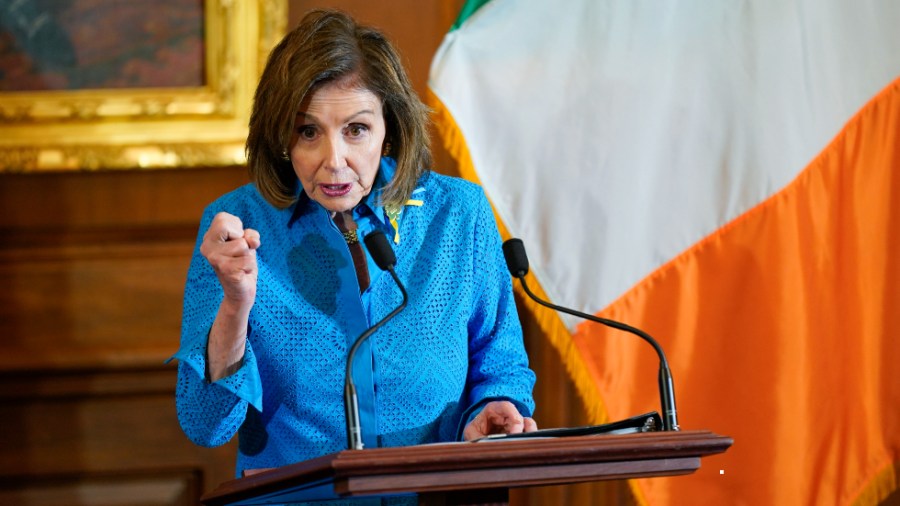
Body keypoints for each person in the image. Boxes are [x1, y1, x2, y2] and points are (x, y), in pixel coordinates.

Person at [170, 9, 537, 478]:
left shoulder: (457, 214)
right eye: (308, 132)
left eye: (356, 130)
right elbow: (206, 425)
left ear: (389, 131)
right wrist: (235, 308)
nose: (334, 160)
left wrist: (494, 406)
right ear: (282, 138)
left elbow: (500, 358)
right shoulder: (236, 229)